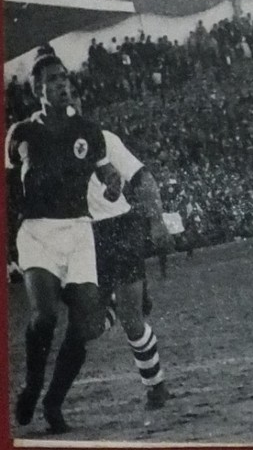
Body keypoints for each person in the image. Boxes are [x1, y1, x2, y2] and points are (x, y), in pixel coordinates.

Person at [6, 46, 122, 433]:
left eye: (64, 79)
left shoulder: (87, 131)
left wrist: (112, 184)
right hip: (37, 231)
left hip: (77, 230)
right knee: (44, 316)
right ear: (37, 88)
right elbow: (7, 191)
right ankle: (33, 384)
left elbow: (107, 173)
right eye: (52, 80)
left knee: (87, 320)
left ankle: (54, 402)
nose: (61, 85)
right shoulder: (21, 133)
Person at [86, 121, 175, 409]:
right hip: (81, 234)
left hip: (120, 228)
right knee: (89, 327)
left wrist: (157, 219)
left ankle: (155, 386)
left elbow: (142, 177)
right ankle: (115, 305)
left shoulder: (102, 139)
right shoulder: (46, 142)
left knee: (132, 318)